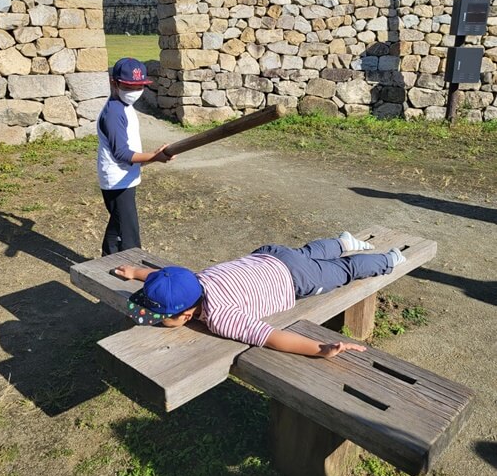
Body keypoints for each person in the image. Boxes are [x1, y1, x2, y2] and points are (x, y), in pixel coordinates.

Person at [114, 231, 407, 358]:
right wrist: (137, 274)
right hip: (269, 255)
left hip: (295, 279)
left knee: (344, 272)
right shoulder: (192, 279)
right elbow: (163, 276)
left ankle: (389, 260)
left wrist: (319, 349)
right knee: (307, 252)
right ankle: (342, 241)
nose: (155, 319)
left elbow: (271, 337)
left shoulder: (221, 317)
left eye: (160, 317)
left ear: (186, 314)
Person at [97, 57, 173, 256]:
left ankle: (107, 261)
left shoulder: (124, 106)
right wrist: (155, 157)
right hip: (117, 180)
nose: (135, 92)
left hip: (125, 177)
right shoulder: (113, 112)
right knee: (128, 231)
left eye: (140, 86)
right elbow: (121, 153)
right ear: (114, 83)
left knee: (118, 224)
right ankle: (130, 267)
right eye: (129, 86)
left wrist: (152, 156)